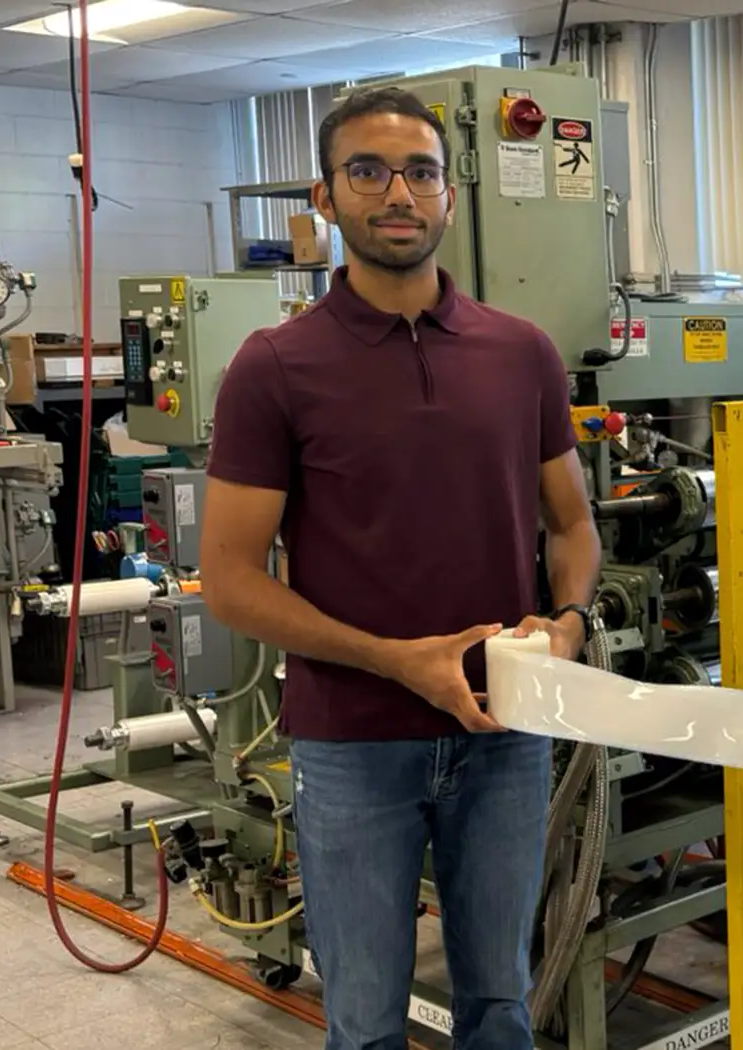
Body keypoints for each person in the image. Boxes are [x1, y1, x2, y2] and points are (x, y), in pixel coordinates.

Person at [199, 86, 602, 1050]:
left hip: (504, 733)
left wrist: (570, 622)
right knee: (368, 1018)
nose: (397, 193)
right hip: (353, 745)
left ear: (450, 195)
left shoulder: (522, 353)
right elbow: (230, 579)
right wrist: (393, 659)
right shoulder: (275, 366)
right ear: (325, 197)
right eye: (368, 171)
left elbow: (574, 524)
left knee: (501, 1003)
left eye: (420, 172)